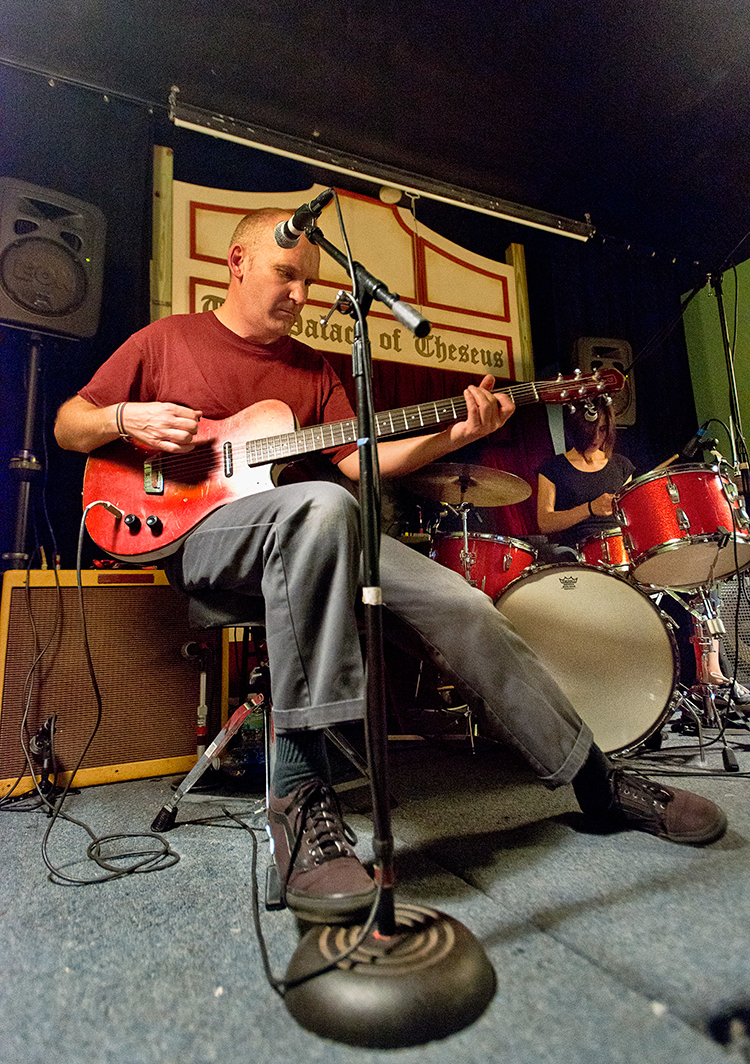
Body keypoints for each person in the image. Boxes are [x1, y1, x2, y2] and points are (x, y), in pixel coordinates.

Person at [55, 208, 727, 926]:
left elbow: (363, 465)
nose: (300, 294)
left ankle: (596, 782)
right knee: (318, 504)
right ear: (239, 262)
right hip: (193, 533)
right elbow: (71, 423)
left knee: (463, 601)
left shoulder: (313, 370)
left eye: (310, 283)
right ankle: (303, 795)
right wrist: (126, 420)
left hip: (314, 523)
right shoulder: (168, 339)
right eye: (287, 274)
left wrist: (454, 435)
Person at [537, 399, 634, 551]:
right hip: (576, 552)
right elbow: (545, 523)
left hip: (619, 549)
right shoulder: (553, 467)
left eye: (602, 430)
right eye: (590, 430)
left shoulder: (622, 465)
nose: (596, 438)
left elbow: (630, 519)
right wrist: (590, 508)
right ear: (576, 428)